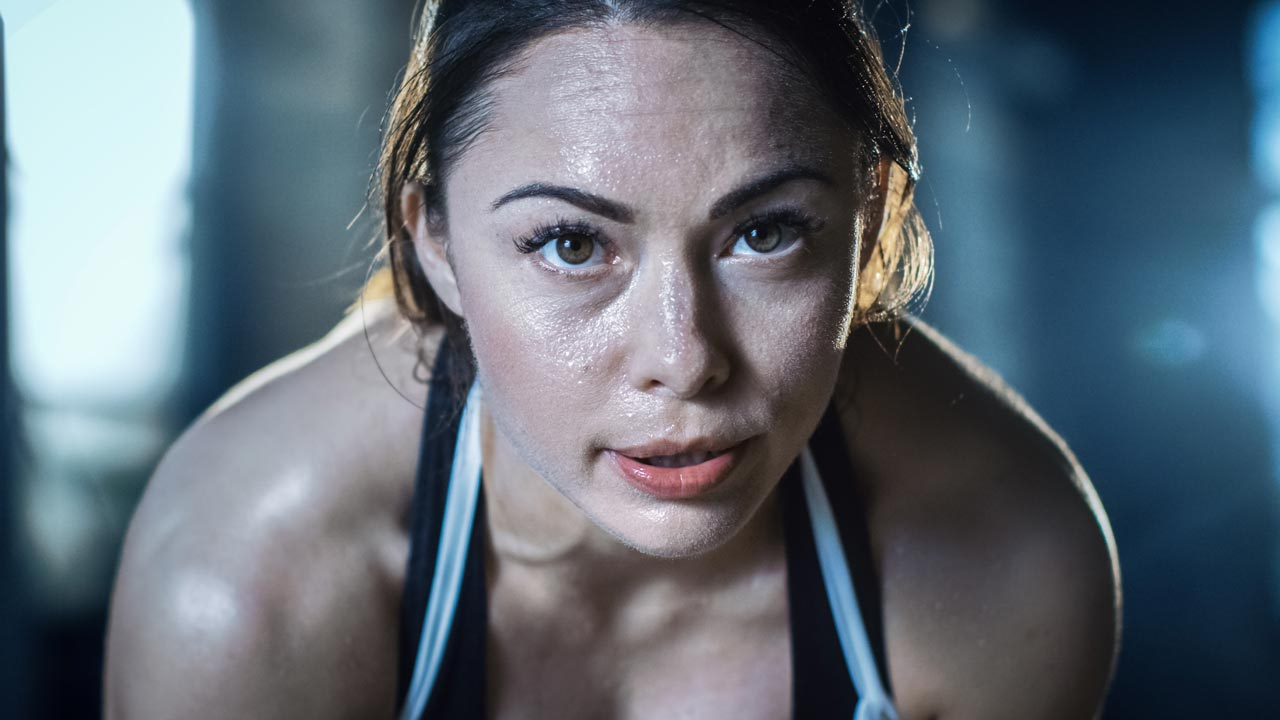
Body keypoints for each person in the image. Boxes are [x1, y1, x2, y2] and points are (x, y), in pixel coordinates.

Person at [104, 1, 1121, 718]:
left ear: (871, 216)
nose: (683, 362)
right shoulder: (248, 584)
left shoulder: (1001, 554)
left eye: (764, 233)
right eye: (572, 245)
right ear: (437, 244)